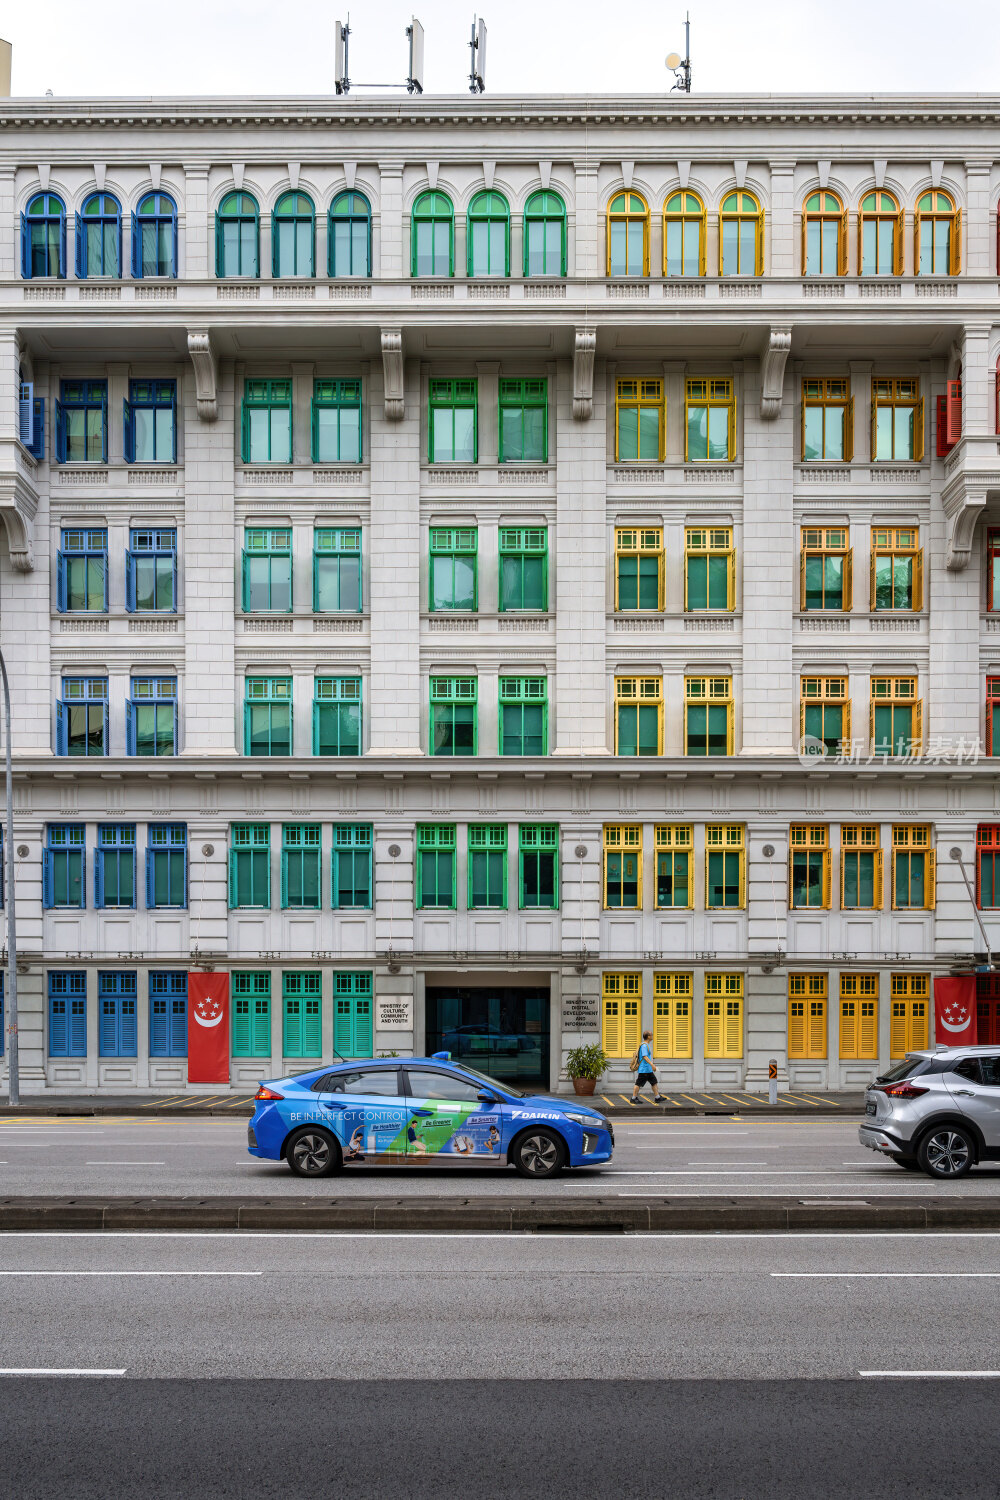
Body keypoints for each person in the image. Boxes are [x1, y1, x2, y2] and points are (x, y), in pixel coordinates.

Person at [630, 1031, 667, 1105]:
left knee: (654, 1082)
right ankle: (633, 1098)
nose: (652, 1036)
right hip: (644, 1069)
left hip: (648, 1069)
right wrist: (652, 1064)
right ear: (648, 1036)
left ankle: (657, 1097)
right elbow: (644, 1056)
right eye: (651, 1035)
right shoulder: (644, 1046)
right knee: (638, 1083)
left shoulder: (646, 1045)